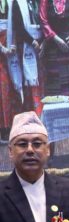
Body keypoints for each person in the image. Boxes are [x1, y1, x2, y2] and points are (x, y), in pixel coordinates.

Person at [8, 0, 45, 113]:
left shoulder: (38, 2)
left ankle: (43, 113)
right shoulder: (17, 3)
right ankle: (32, 113)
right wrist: (32, 41)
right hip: (25, 46)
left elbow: (44, 21)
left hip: (40, 46)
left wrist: (43, 41)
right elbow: (18, 27)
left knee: (41, 81)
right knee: (29, 84)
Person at [39, 0, 69, 96]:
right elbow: (43, 21)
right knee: (57, 87)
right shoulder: (45, 1)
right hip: (54, 45)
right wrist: (56, 39)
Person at [0, 0, 21, 141]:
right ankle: (4, 128)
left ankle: (14, 125)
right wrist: (3, 49)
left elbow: (16, 24)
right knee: (3, 89)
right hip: (2, 53)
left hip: (11, 50)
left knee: (15, 87)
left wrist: (13, 44)